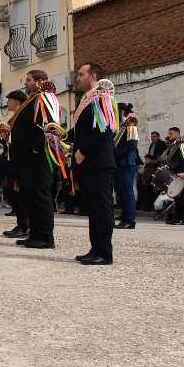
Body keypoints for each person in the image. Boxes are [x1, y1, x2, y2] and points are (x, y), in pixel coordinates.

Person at [69, 65, 117, 265]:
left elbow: (102, 131)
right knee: (93, 208)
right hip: (89, 164)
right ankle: (95, 247)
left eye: (81, 74)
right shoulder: (86, 99)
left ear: (93, 77)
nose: (77, 77)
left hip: (98, 163)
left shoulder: (101, 98)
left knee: (102, 207)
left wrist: (83, 151)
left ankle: (104, 252)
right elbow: (83, 130)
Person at [9, 70, 62, 249]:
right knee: (31, 197)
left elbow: (46, 125)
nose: (26, 83)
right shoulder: (33, 99)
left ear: (40, 81)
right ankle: (35, 233)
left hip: (37, 156)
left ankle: (45, 237)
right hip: (27, 158)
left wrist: (35, 148)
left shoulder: (44, 98)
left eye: (29, 80)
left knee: (40, 197)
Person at [0, 90, 29, 239]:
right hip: (11, 158)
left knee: (19, 193)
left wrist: (9, 133)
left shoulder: (22, 114)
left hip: (19, 159)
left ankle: (25, 225)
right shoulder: (13, 115)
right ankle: (21, 222)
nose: (7, 103)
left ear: (17, 101)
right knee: (10, 190)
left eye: (9, 100)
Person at [113, 102, 140, 229]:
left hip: (127, 163)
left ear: (122, 112)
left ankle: (130, 220)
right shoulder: (121, 126)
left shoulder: (131, 125)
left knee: (127, 192)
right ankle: (124, 216)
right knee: (121, 192)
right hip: (119, 163)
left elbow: (132, 145)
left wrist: (116, 154)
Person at [162, 127, 184, 225]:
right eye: (169, 133)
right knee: (176, 196)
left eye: (171, 134)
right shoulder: (173, 145)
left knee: (181, 196)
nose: (169, 135)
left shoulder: (182, 144)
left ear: (177, 134)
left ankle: (182, 218)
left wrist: (183, 172)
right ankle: (178, 217)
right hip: (174, 172)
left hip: (180, 173)